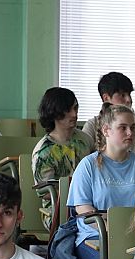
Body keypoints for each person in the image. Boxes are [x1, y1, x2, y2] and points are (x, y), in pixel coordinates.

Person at [68, 103, 135, 259]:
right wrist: (113, 231)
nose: (130, 133)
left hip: (134, 235)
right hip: (94, 236)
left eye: (132, 127)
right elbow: (83, 210)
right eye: (122, 128)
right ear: (106, 130)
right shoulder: (88, 165)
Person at [31, 87, 93, 229]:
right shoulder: (44, 151)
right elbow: (46, 193)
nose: (74, 114)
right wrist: (77, 199)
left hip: (88, 204)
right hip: (56, 210)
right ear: (54, 112)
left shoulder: (85, 140)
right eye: (68, 110)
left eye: (75, 108)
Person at [81, 72, 135, 156]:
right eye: (122, 95)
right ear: (106, 98)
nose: (128, 99)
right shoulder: (91, 126)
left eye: (129, 94)